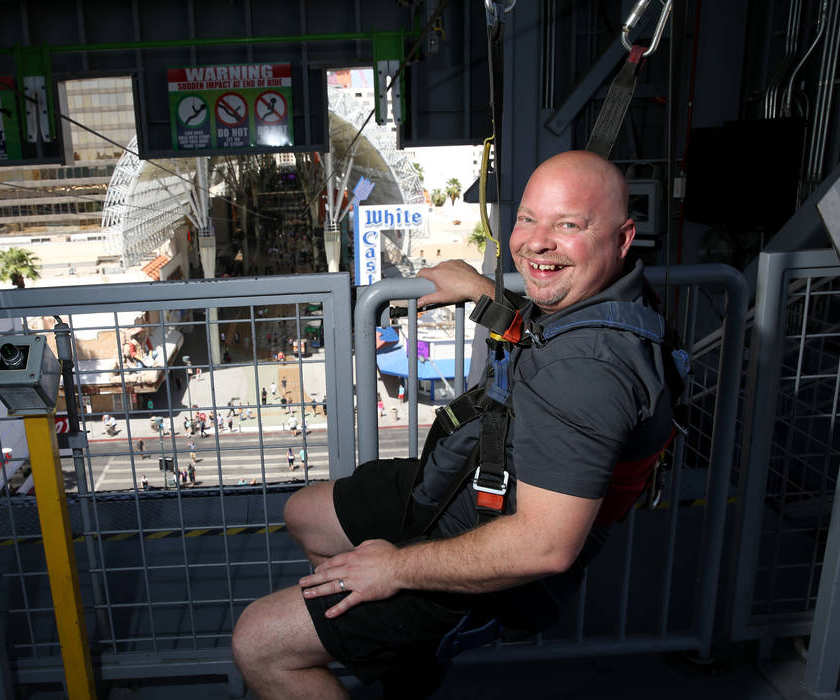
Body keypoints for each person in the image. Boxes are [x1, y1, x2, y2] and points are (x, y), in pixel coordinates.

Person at [232, 151, 680, 698]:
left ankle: (403, 639)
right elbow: (543, 336)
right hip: (469, 484)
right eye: (528, 218)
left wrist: (395, 569)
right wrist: (483, 289)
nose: (536, 243)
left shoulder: (586, 373)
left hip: (495, 546)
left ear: (623, 238)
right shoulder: (611, 300)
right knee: (305, 511)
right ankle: (402, 658)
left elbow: (544, 546)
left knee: (259, 642)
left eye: (568, 225)